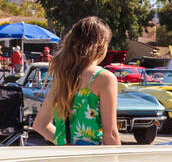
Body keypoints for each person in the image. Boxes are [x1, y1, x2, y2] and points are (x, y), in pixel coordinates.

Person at [33, 16, 119, 146]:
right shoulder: (104, 78)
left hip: (65, 161)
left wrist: (64, 143)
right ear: (101, 45)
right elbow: (111, 134)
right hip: (92, 161)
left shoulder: (63, 77)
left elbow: (40, 125)